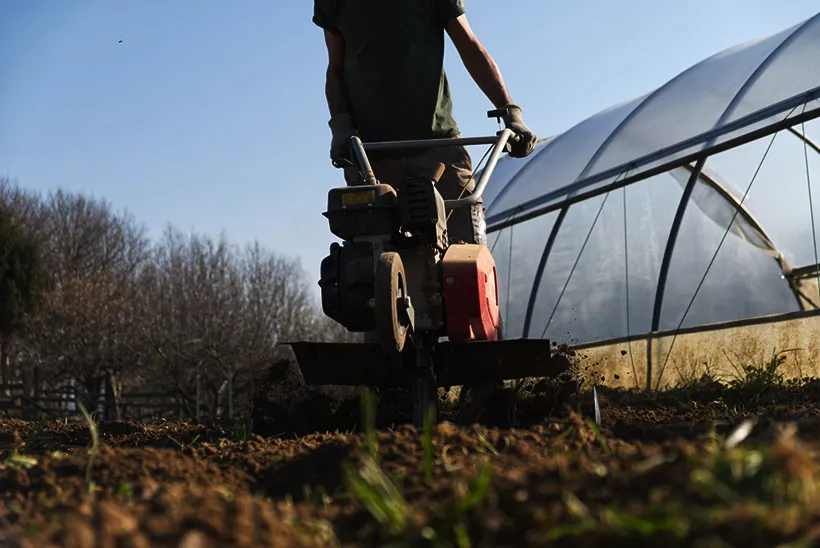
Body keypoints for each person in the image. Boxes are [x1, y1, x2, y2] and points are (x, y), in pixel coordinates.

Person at [313, 0, 537, 245]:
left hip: (438, 149)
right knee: (370, 255)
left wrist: (509, 111)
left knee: (465, 250)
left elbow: (470, 47)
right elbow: (335, 68)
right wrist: (341, 125)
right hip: (370, 160)